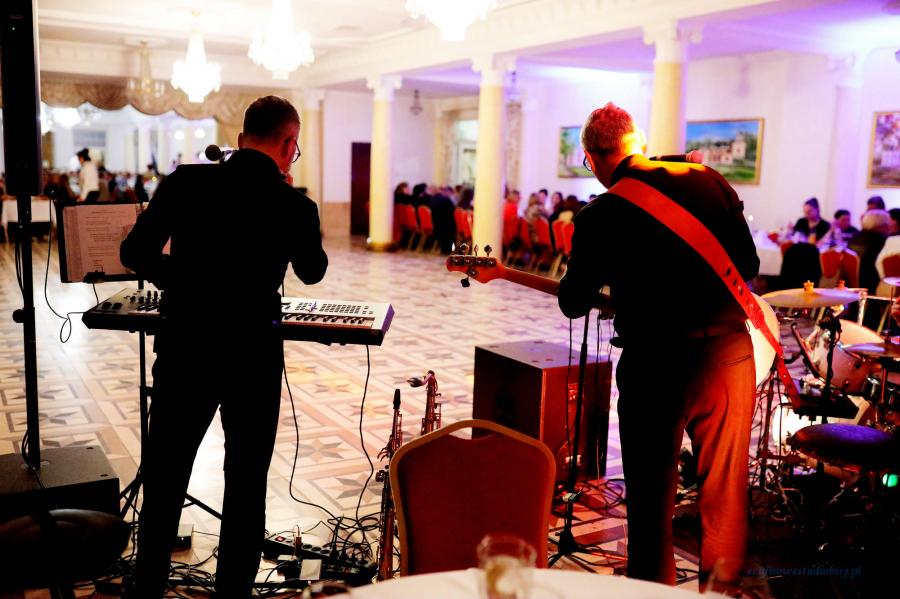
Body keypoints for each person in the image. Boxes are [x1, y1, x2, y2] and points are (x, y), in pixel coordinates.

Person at [120, 95, 328, 598]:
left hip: (186, 347)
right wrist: (292, 210)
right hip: (253, 356)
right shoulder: (294, 205)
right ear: (289, 145)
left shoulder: (185, 182)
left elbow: (135, 251)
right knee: (246, 480)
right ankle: (232, 592)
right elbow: (313, 271)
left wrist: (181, 279)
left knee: (166, 475)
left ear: (239, 139)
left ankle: (147, 589)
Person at [558, 103, 758, 591]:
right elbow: (748, 266)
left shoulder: (601, 213)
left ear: (592, 158)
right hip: (728, 356)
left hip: (656, 365)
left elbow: (572, 302)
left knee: (650, 500)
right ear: (640, 144)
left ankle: (651, 594)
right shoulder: (708, 180)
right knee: (725, 494)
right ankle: (721, 593)